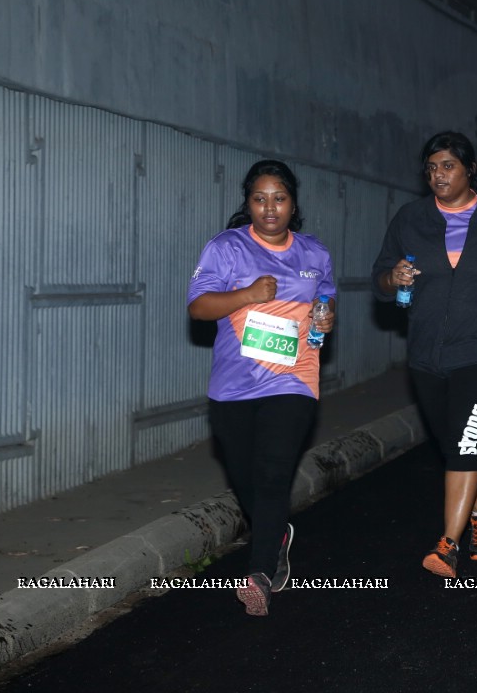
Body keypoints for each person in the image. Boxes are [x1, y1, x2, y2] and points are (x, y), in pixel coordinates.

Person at [187, 160, 336, 616]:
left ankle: (258, 575)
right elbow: (199, 308)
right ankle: (278, 534)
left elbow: (325, 302)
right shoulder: (226, 249)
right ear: (248, 203)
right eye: (259, 198)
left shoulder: (314, 255)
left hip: (292, 380)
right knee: (246, 478)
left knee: (273, 473)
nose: (269, 208)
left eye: (279, 198)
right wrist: (247, 295)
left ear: (293, 204)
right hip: (234, 386)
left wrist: (324, 318)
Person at [372, 132, 477, 579]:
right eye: (432, 167)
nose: (439, 175)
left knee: (466, 441)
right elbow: (380, 280)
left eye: (449, 166)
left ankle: (448, 544)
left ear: (470, 169)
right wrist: (392, 279)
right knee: (453, 445)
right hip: (427, 355)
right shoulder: (410, 219)